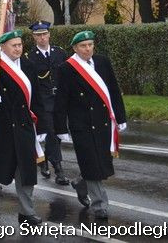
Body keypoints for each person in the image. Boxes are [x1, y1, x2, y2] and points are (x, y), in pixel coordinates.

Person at [0, 29, 46, 226]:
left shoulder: (28, 65)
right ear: (3, 47)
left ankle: (26, 212)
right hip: (1, 124)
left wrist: (43, 126)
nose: (18, 48)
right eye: (14, 45)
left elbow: (36, 97)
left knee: (26, 171)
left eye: (20, 45)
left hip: (23, 125)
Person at [54, 30, 128, 220]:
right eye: (83, 46)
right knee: (92, 163)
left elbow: (113, 91)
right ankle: (100, 205)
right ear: (75, 48)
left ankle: (80, 182)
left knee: (101, 162)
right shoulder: (66, 69)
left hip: (103, 121)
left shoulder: (103, 62)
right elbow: (61, 101)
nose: (87, 49)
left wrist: (120, 117)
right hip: (82, 125)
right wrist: (60, 128)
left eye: (90, 45)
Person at [25, 21, 69, 185]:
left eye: (44, 34)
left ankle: (44, 159)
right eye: (38, 35)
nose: (42, 38)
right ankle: (59, 170)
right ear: (34, 37)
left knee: (58, 133)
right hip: (43, 101)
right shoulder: (30, 57)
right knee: (50, 132)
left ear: (49, 34)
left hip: (59, 100)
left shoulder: (60, 53)